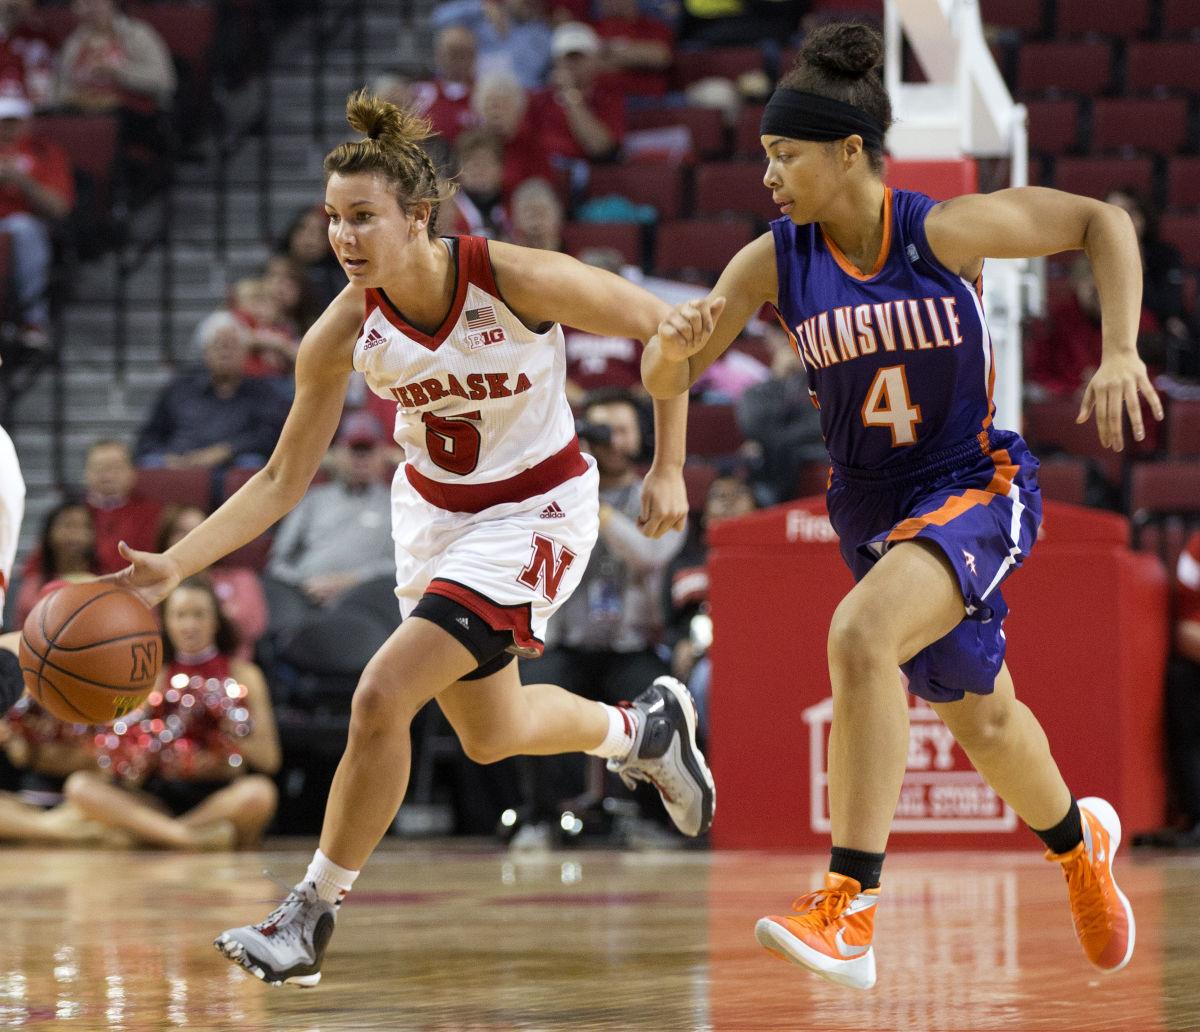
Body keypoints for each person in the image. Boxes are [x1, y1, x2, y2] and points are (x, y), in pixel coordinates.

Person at [112, 90, 714, 987]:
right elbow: (282, 479)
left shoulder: (513, 276)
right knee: (492, 732)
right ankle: (643, 730)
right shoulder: (344, 331)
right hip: (432, 517)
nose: (344, 239)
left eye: (363, 218)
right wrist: (177, 559)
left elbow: (666, 337)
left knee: (380, 694)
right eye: (332, 220)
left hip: (536, 508)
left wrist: (667, 466)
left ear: (418, 218)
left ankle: (309, 913)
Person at [640, 22, 1159, 989]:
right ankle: (1078, 844)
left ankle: (852, 902)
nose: (769, 176)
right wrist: (670, 432)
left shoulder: (940, 232)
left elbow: (1103, 223)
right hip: (871, 513)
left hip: (973, 485)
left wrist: (1120, 349)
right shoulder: (773, 263)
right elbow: (669, 363)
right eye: (763, 157)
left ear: (848, 152)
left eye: (784, 155)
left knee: (857, 638)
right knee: (985, 721)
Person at [65, 577, 281, 850]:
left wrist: (226, 735)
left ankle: (155, 835)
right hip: (160, 795)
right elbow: (122, 761)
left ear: (216, 620)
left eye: (199, 615)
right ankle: (186, 838)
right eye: (180, 615)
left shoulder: (244, 674)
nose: (189, 625)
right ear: (166, 622)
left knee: (260, 794)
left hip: (218, 795)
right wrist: (140, 752)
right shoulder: (151, 677)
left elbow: (270, 760)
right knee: (80, 786)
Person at [134, 310, 289, 478]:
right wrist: (169, 458)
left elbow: (269, 437)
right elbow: (148, 438)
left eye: (232, 345)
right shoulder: (178, 388)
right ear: (205, 352)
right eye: (219, 345)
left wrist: (226, 451)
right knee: (151, 463)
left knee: (250, 465)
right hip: (179, 463)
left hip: (232, 465)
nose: (225, 352)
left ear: (245, 353)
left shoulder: (263, 392)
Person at [0, 82, 74, 349]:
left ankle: (33, 321)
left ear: (25, 122)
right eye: (2, 122)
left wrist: (21, 181)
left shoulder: (43, 153)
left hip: (28, 227)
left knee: (21, 228)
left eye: (12, 122)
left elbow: (59, 208)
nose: (7, 129)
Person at [156, 505, 268, 662]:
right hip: (167, 675)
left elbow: (252, 627)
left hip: (233, 675)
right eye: (181, 531)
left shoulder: (241, 580)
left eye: (200, 530)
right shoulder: (153, 589)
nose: (191, 539)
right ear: (166, 538)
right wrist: (222, 614)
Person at [12, 500, 97, 628]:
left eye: (84, 527)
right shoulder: (32, 586)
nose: (76, 535)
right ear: (49, 533)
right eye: (68, 525)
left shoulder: (106, 581)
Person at [83, 437, 163, 574]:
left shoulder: (154, 514)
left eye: (116, 468)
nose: (108, 476)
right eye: (100, 468)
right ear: (86, 473)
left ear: (132, 472)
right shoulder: (70, 515)